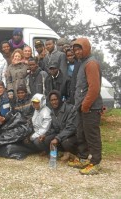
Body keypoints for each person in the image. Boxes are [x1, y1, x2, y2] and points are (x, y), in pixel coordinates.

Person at [68, 38, 103, 175]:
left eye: (79, 49)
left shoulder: (91, 63)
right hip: (82, 107)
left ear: (86, 48)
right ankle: (83, 158)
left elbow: (94, 88)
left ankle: (96, 163)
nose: (77, 52)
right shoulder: (82, 63)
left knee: (92, 135)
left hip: (91, 107)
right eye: (75, 50)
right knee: (81, 133)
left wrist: (86, 105)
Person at [47, 90, 77, 160]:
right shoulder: (52, 112)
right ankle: (61, 152)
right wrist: (45, 135)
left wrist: (57, 138)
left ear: (60, 99)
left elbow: (71, 128)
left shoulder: (70, 109)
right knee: (46, 140)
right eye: (51, 100)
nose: (54, 102)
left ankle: (77, 153)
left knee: (66, 143)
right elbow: (54, 128)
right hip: (62, 135)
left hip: (73, 135)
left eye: (55, 99)